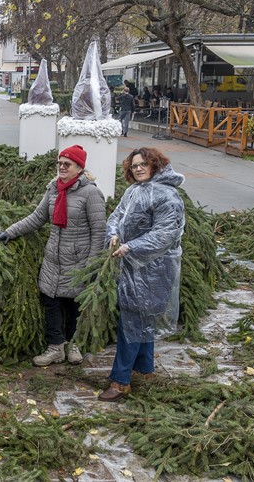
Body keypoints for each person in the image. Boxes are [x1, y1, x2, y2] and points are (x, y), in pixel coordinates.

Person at [0, 145, 107, 367]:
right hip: (53, 259)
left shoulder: (91, 193)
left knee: (75, 303)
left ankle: (74, 344)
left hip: (78, 260)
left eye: (67, 164)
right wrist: (10, 232)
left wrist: (93, 265)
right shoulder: (54, 189)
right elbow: (37, 217)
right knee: (51, 301)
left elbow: (99, 231)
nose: (62, 167)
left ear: (79, 168)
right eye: (60, 163)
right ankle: (55, 347)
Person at [99, 147, 185, 401]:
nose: (137, 168)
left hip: (154, 269)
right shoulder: (133, 191)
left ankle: (120, 381)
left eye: (143, 164)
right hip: (130, 264)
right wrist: (113, 234)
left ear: (155, 165)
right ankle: (145, 369)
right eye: (134, 165)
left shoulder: (167, 196)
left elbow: (166, 233)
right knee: (140, 318)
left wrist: (131, 246)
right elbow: (117, 216)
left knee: (133, 321)